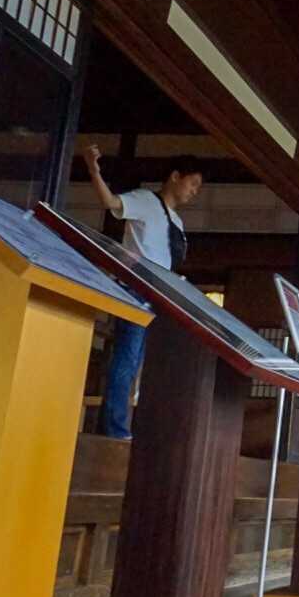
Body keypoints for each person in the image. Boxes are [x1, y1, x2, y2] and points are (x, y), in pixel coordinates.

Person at [79, 143, 204, 440]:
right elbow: (111, 202)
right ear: (175, 176)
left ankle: (119, 426)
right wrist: (94, 170)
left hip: (159, 295)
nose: (194, 191)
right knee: (127, 358)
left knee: (137, 363)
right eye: (193, 183)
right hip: (136, 290)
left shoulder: (178, 222)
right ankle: (116, 429)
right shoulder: (146, 200)